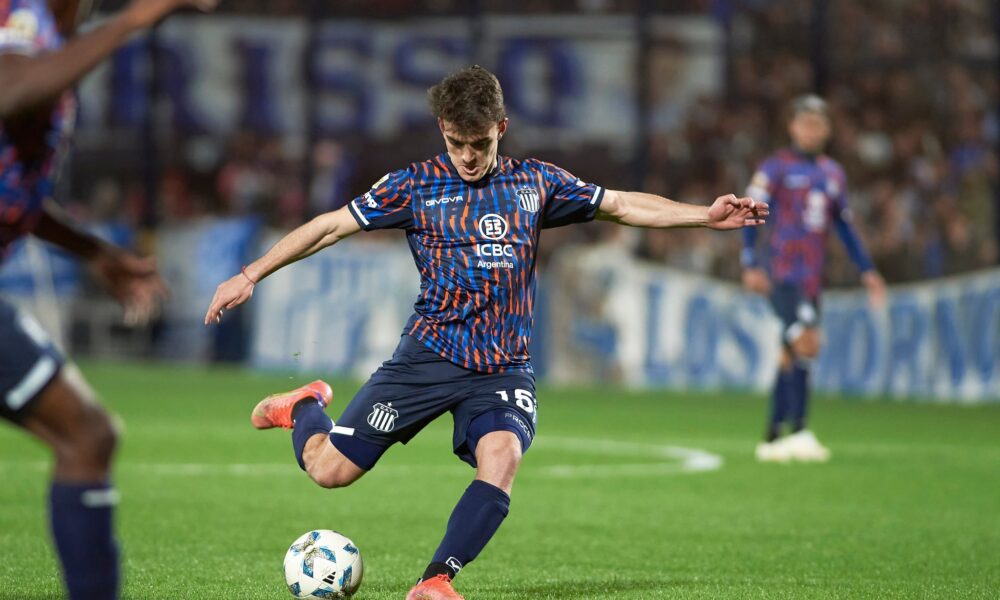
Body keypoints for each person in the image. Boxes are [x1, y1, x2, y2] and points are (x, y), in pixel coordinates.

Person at [205, 65, 767, 600]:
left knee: (502, 455)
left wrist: (704, 215)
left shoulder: (535, 183)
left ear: (501, 127)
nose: (468, 157)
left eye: (479, 143)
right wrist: (251, 274)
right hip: (428, 356)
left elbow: (619, 205)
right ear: (442, 130)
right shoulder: (414, 186)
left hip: (502, 368)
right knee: (329, 472)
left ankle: (435, 581)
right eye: (456, 143)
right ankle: (305, 406)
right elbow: (329, 227)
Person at [0, 0, 215, 598]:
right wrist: (134, 21)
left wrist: (92, 250)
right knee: (86, 436)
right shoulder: (23, 20)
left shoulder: (48, 38)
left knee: (88, 437)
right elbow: (8, 90)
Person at [742, 94, 885, 464]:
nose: (812, 130)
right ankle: (800, 430)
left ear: (828, 129)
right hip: (781, 271)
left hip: (812, 277)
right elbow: (751, 211)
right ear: (792, 126)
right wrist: (750, 261)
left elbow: (845, 227)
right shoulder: (775, 167)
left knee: (791, 351)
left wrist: (867, 270)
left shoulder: (833, 173)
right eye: (805, 123)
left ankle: (773, 438)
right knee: (806, 342)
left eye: (818, 123)